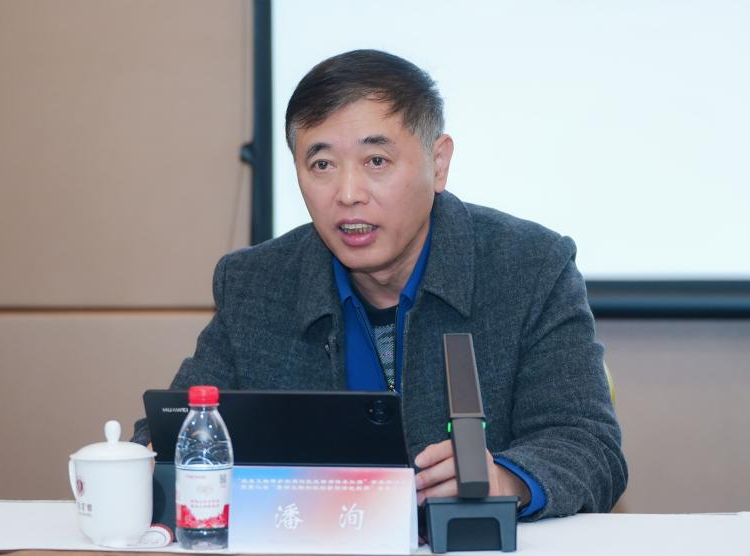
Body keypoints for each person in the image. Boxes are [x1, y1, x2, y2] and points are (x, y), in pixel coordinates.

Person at [133, 49, 627, 520]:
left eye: (376, 161)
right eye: (322, 165)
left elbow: (588, 445)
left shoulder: (530, 267)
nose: (348, 194)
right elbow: (172, 434)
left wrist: (504, 480)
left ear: (439, 163)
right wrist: (148, 464)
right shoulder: (254, 284)